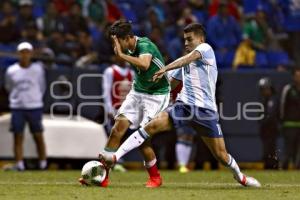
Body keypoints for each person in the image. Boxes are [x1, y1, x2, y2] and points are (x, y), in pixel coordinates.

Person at [99, 23, 261, 187]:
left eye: (190, 39)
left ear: (201, 38)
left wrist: (166, 67)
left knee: (221, 155)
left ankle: (241, 177)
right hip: (182, 107)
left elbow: (187, 59)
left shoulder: (206, 49)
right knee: (150, 127)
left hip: (205, 111)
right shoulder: (183, 65)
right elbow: (171, 84)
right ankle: (115, 158)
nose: (186, 43)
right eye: (184, 40)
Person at [81, 20, 170, 188]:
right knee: (116, 130)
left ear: (128, 37)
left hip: (157, 95)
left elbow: (144, 65)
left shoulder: (145, 45)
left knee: (143, 139)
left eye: (117, 41)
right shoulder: (128, 46)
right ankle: (103, 175)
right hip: (138, 91)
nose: (116, 46)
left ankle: (155, 177)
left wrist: (121, 55)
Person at [4, 42, 47, 171]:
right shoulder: (11, 70)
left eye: (27, 52)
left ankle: (43, 163)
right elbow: (9, 87)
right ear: (18, 54)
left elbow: (42, 86)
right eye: (22, 52)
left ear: (31, 53)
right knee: (18, 136)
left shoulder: (38, 69)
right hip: (17, 107)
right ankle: (20, 164)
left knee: (38, 135)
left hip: (35, 107)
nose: (25, 55)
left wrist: (34, 99)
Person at [102, 56, 134, 172]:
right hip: (114, 110)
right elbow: (106, 91)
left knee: (123, 136)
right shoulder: (110, 71)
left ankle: (118, 161)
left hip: (127, 111)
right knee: (113, 135)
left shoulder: (131, 73)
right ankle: (108, 162)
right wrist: (109, 109)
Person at [280, 68, 300, 169]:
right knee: (288, 149)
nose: (298, 78)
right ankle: (284, 167)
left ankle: (297, 169)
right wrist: (282, 120)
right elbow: (282, 105)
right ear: (293, 77)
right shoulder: (288, 89)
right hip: (289, 124)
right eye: (297, 76)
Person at [258, 77, 279, 169]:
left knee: (270, 148)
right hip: (265, 129)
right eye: (262, 89)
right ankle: (268, 164)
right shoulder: (264, 100)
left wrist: (263, 121)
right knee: (267, 148)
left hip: (271, 128)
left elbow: (270, 115)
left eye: (265, 89)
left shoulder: (273, 99)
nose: (263, 91)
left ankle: (272, 165)